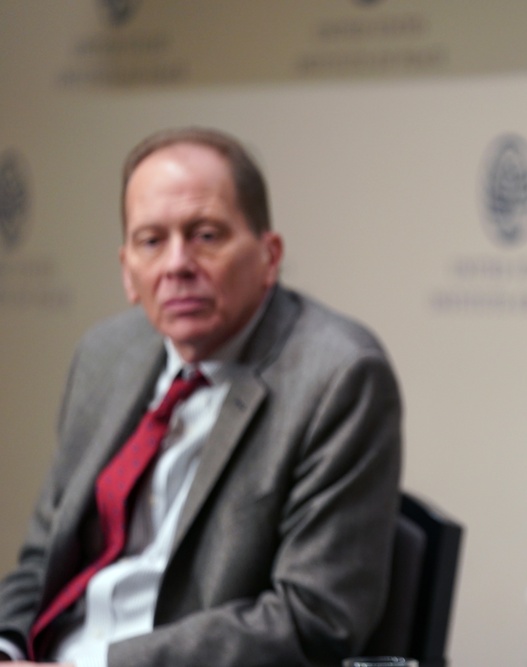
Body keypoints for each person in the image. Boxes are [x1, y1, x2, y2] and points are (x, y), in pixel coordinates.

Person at [0, 127, 403, 666]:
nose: (176, 265)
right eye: (151, 241)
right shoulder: (105, 355)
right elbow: (43, 558)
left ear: (269, 255)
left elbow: (314, 619)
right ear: (127, 270)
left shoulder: (339, 376)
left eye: (206, 235)